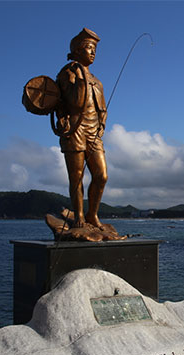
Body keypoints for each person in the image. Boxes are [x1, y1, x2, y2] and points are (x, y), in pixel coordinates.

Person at [55, 28, 108, 229]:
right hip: (74, 129)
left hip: (93, 130)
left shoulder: (98, 81)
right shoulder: (67, 73)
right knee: (76, 176)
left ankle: (92, 215)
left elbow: (102, 108)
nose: (93, 52)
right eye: (88, 48)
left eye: (94, 49)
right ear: (77, 51)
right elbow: (72, 102)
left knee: (101, 175)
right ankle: (78, 216)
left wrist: (102, 124)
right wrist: (79, 75)